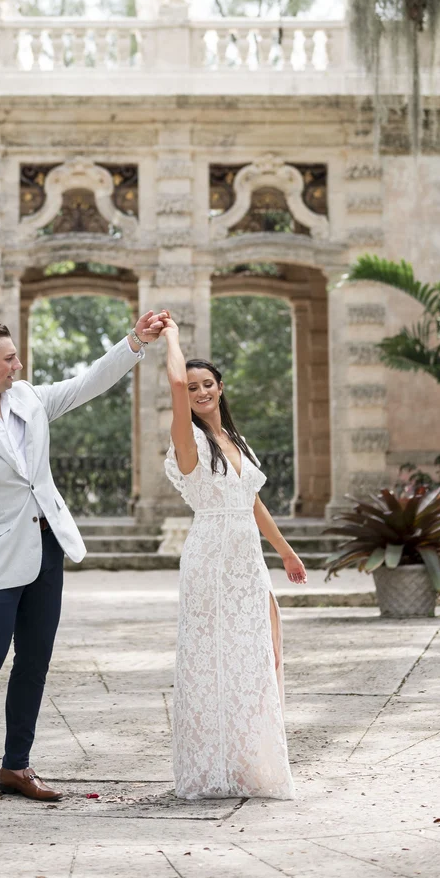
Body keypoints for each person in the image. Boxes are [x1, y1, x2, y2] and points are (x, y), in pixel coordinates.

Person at [0, 312, 166, 804]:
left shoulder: (30, 399)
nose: (19, 364)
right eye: (10, 358)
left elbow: (87, 382)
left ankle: (16, 766)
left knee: (34, 661)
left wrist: (134, 341)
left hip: (47, 547)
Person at [162, 315, 306, 800]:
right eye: (193, 387)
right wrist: (172, 336)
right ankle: (208, 769)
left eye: (208, 384)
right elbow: (177, 380)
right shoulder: (189, 440)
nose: (199, 391)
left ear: (221, 388)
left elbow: (253, 502)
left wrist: (285, 553)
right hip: (210, 557)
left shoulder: (236, 441)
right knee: (209, 659)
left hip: (246, 558)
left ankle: (248, 765)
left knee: (251, 657)